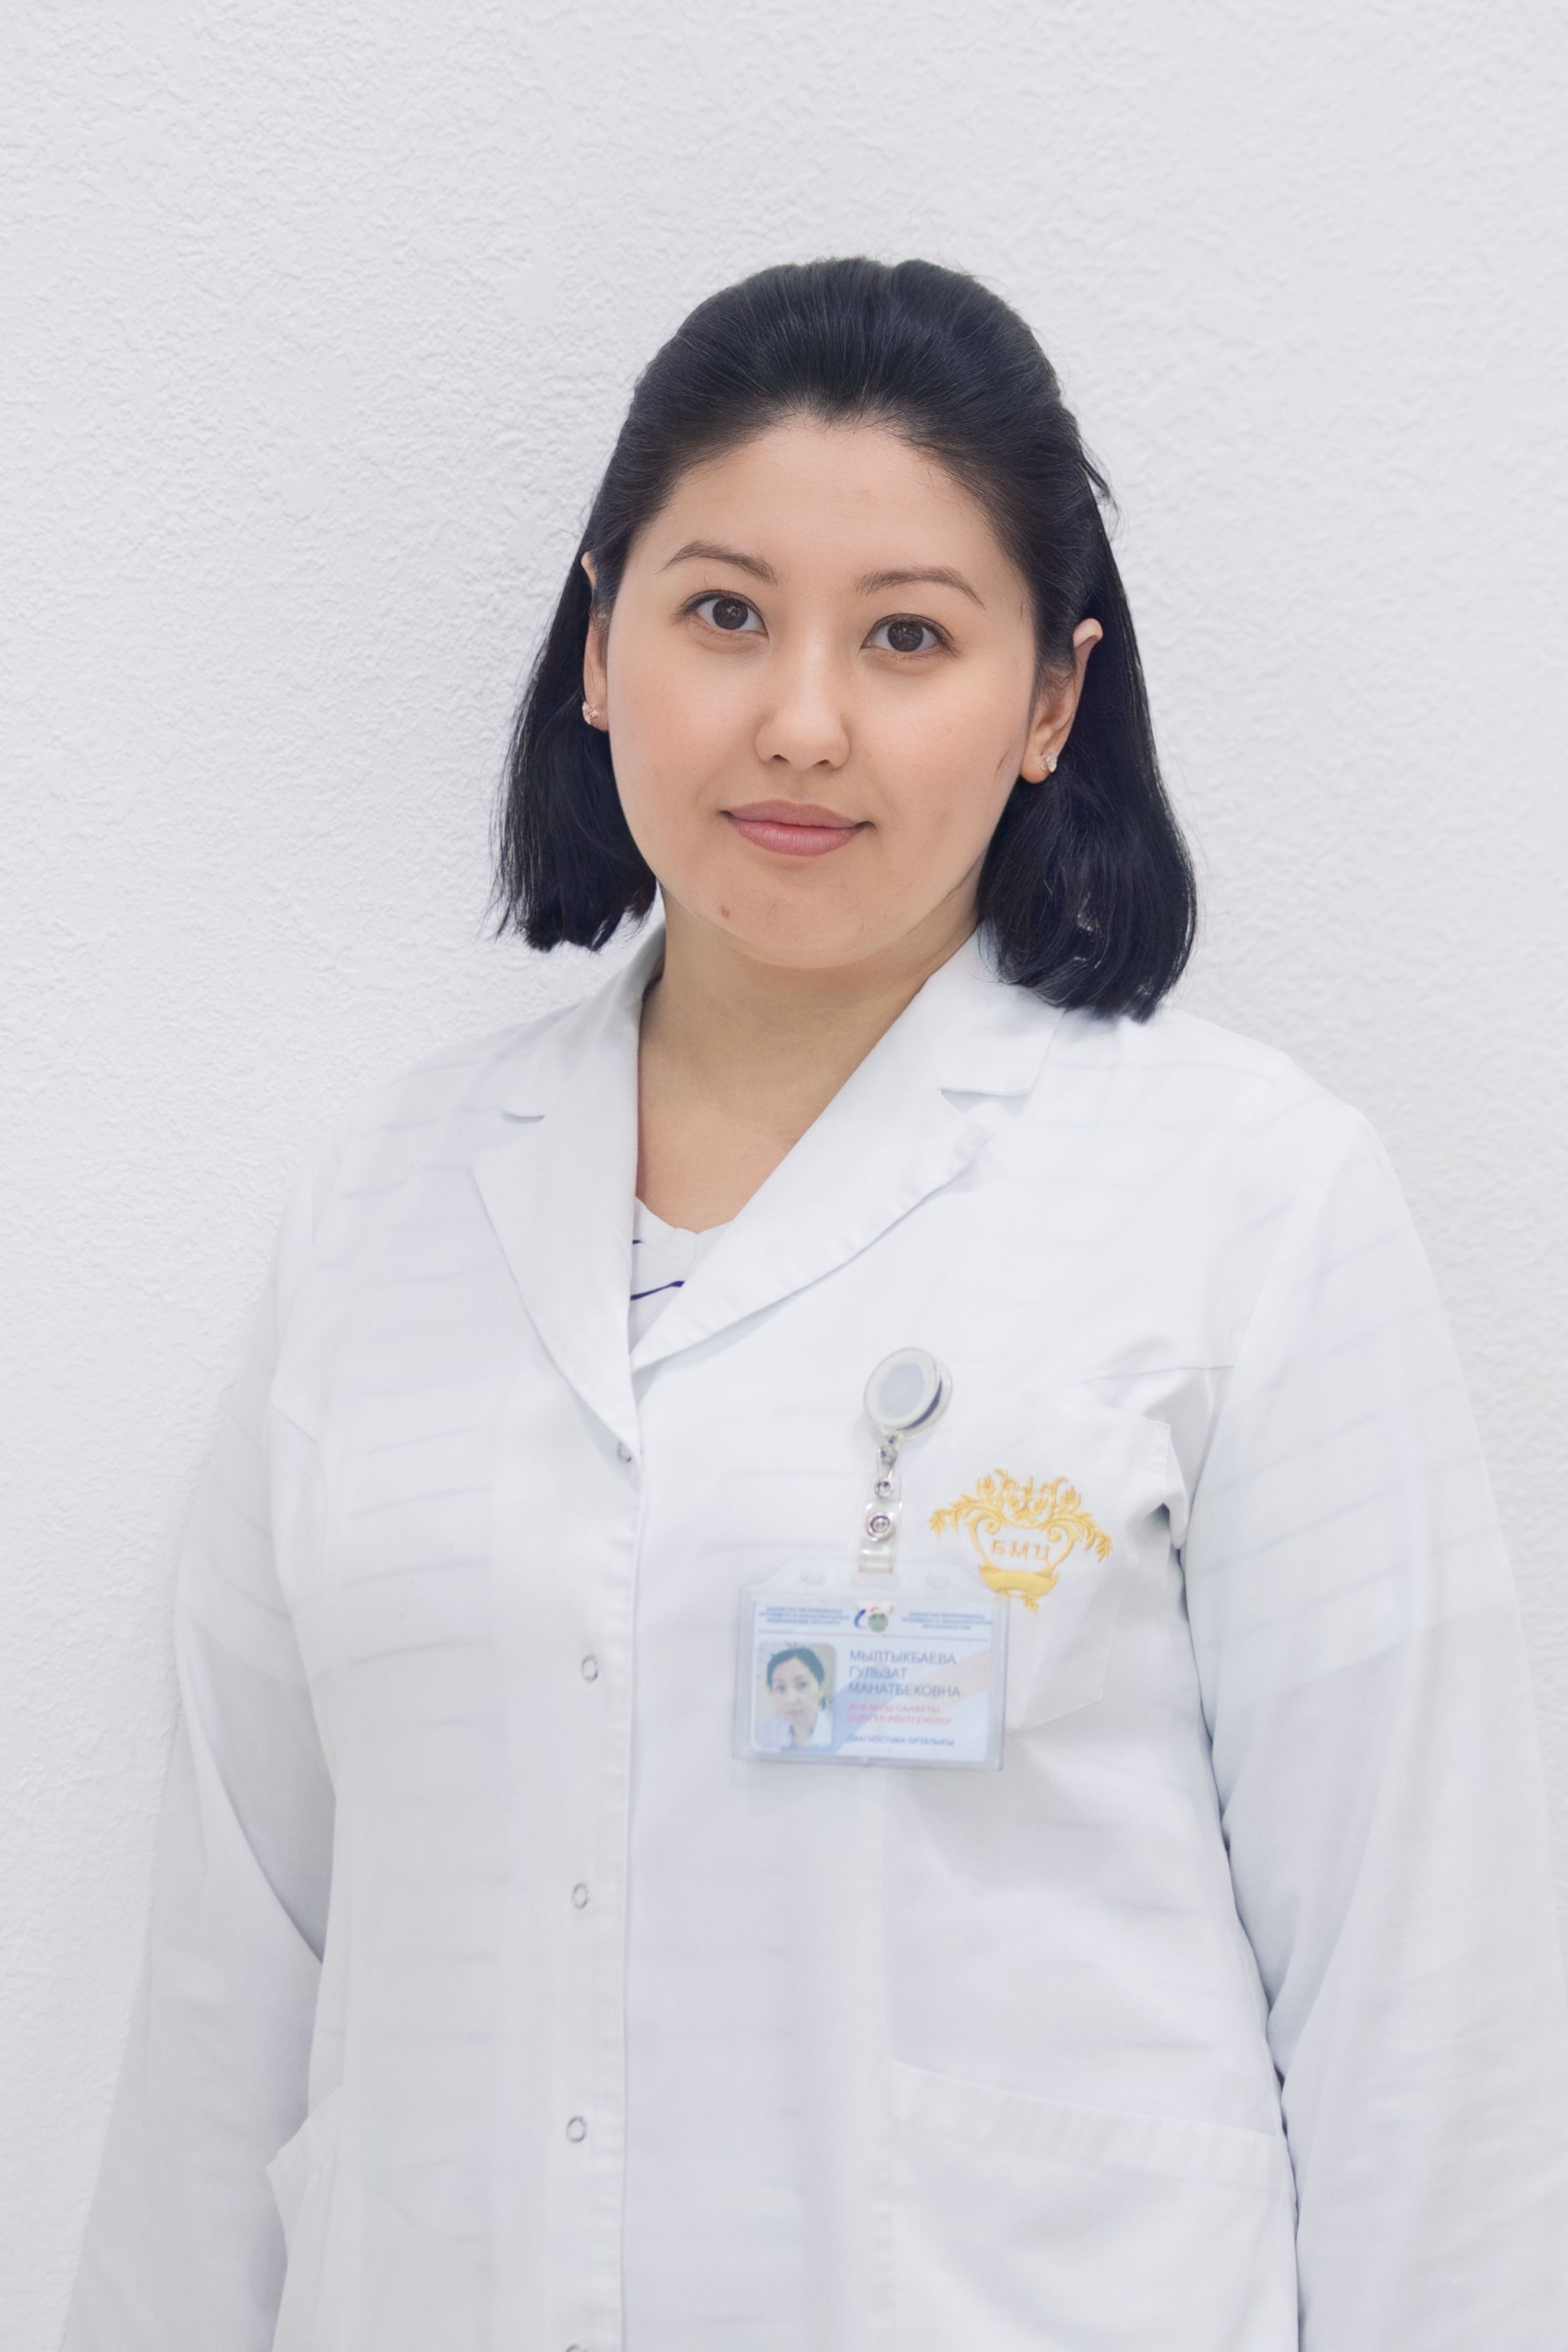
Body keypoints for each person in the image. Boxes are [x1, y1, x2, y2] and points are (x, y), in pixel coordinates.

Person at [67, 258, 1566, 2352]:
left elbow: (1427, 1999)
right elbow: (233, 1989)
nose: (800, 719)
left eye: (907, 636)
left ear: (1049, 703)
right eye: (722, 613)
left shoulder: (1240, 1197)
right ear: (599, 646)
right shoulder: (380, 1212)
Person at [758, 1645, 834, 1749]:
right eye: (781, 1688)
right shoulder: (769, 1729)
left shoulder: (838, 1730)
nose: (791, 1699)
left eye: (802, 1685)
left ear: (820, 1688)